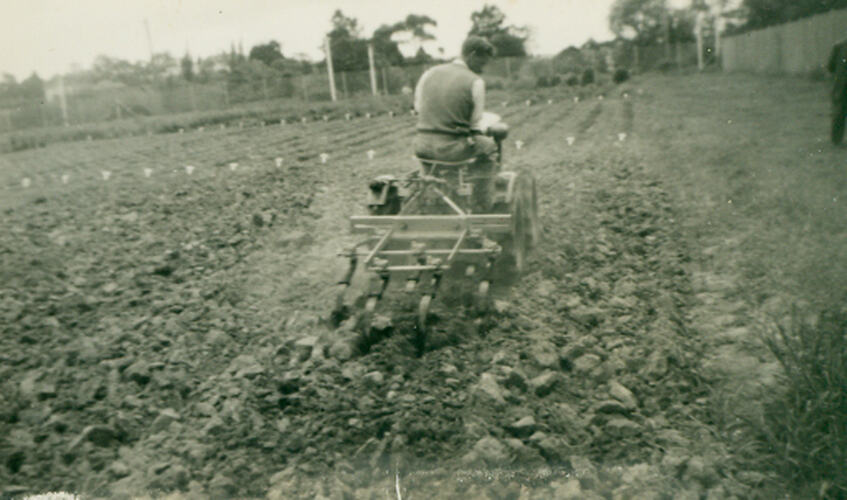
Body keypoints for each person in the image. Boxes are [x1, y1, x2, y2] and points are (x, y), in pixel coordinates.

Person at [412, 36, 498, 211]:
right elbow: (475, 123)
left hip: (421, 147)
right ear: (473, 55)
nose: (483, 69)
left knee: (435, 153)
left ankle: (431, 193)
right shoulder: (475, 81)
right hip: (451, 151)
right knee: (489, 146)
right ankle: (481, 205)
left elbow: (419, 108)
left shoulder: (429, 73)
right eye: (482, 63)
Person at [827, 35, 847, 145]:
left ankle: (837, 140)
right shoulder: (838, 46)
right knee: (839, 113)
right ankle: (837, 140)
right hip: (842, 86)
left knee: (839, 112)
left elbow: (831, 68)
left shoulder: (839, 46)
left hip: (841, 85)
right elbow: (830, 66)